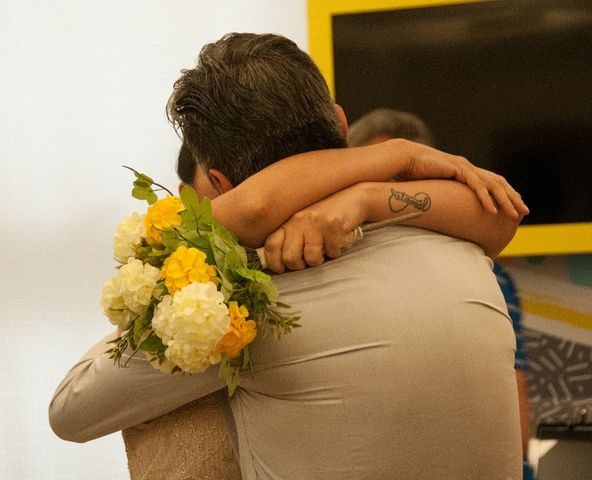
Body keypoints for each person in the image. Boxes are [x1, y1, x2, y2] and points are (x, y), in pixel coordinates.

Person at [50, 33, 527, 479]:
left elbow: (70, 411)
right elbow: (503, 217)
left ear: (217, 184)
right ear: (342, 124)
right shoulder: (465, 251)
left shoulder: (239, 311)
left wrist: (160, 289)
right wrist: (388, 168)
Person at [348, 108, 535, 479]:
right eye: (380, 178)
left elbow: (514, 408)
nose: (391, 196)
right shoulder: (334, 264)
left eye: (403, 181)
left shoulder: (487, 271)